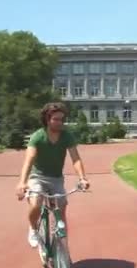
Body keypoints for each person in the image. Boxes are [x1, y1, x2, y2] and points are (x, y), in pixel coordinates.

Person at [16, 102, 90, 248]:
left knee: (61, 209)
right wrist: (22, 182)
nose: (59, 122)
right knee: (36, 203)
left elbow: (75, 158)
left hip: (56, 179)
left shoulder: (66, 136)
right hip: (38, 177)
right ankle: (33, 228)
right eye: (56, 119)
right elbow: (29, 159)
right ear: (47, 119)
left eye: (62, 119)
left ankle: (62, 248)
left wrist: (82, 178)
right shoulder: (38, 136)